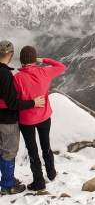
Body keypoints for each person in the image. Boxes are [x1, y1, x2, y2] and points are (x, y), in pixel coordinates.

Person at [13, 46, 66, 191]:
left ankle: (38, 181)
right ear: (33, 59)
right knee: (46, 145)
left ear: (22, 60)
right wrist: (42, 60)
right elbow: (61, 66)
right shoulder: (44, 72)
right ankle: (51, 172)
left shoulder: (16, 78)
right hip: (44, 117)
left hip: (26, 120)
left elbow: (14, 100)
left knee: (32, 151)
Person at [0, 40, 45, 195]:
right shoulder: (6, 74)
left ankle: (7, 180)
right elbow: (12, 102)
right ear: (12, 54)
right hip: (6, 121)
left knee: (1, 150)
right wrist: (33, 103)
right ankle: (7, 185)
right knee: (9, 152)